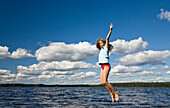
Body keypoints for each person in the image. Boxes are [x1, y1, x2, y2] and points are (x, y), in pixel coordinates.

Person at [96, 23, 119, 103]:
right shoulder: (100, 50)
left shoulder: (106, 48)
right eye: (99, 44)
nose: (100, 44)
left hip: (106, 65)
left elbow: (107, 38)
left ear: (104, 43)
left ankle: (115, 92)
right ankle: (111, 94)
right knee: (102, 83)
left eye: (101, 43)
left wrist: (110, 30)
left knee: (105, 81)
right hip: (102, 66)